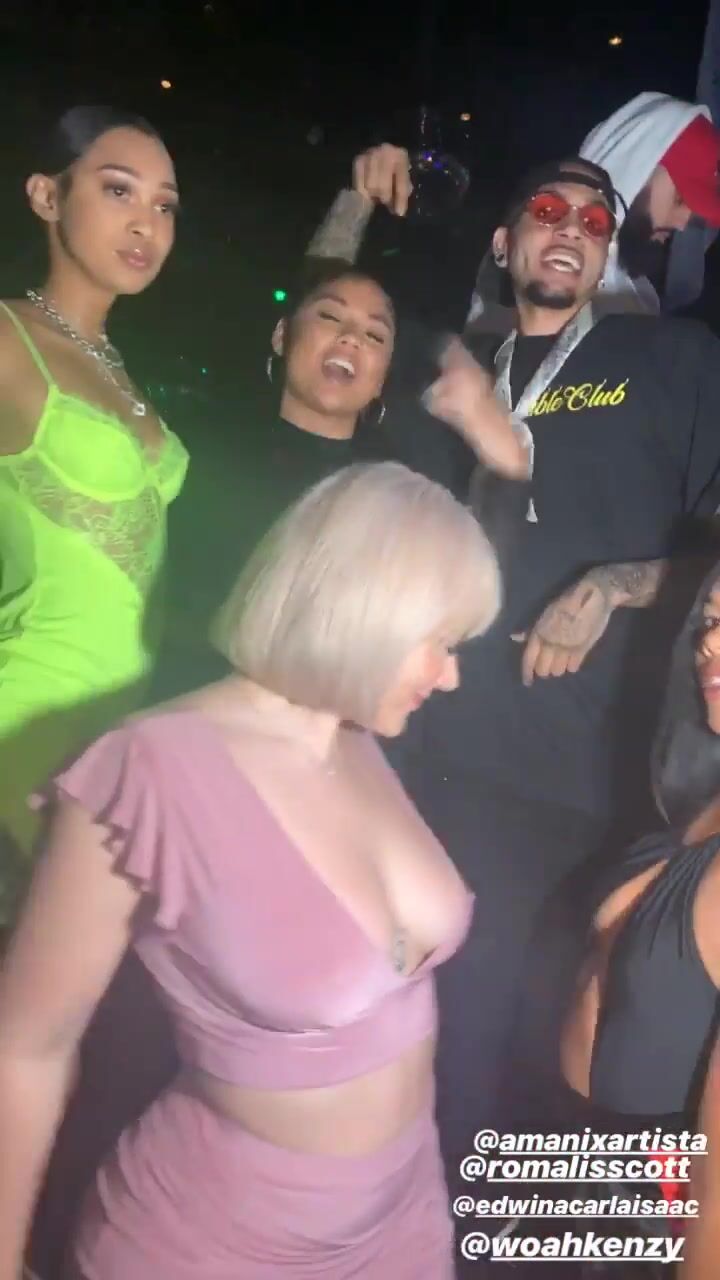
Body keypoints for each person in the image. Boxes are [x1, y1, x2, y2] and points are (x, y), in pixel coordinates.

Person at [308, 143, 720, 1170]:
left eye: (596, 220)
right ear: (504, 241)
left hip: (563, 785)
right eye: (548, 211)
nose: (572, 229)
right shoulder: (451, 367)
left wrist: (616, 583)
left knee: (482, 1053)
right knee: (362, 1022)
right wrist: (353, 200)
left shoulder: (667, 360)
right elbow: (316, 323)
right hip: (410, 753)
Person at [0, 461, 501, 1280]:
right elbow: (26, 1045)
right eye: (440, 643)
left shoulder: (357, 740)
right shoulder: (149, 767)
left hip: (403, 1219)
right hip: (212, 1243)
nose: (450, 675)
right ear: (369, 612)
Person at [163, 260, 528, 692]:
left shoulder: (397, 489)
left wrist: (507, 463)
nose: (351, 338)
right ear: (282, 335)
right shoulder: (207, 455)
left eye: (375, 335)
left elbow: (458, 606)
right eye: (330, 316)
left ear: (383, 375)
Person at [0, 105, 188, 926]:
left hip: (110, 760)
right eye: (118, 191)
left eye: (165, 205)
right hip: (19, 734)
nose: (147, 223)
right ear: (47, 196)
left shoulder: (122, 372)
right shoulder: (8, 340)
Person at [508, 561, 720, 1272]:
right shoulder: (696, 802)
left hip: (658, 1219)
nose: (710, 642)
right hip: (573, 1167)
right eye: (711, 620)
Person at [467, 92, 720, 331]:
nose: (682, 224)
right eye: (679, 200)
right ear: (635, 166)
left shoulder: (639, 297)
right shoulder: (528, 274)